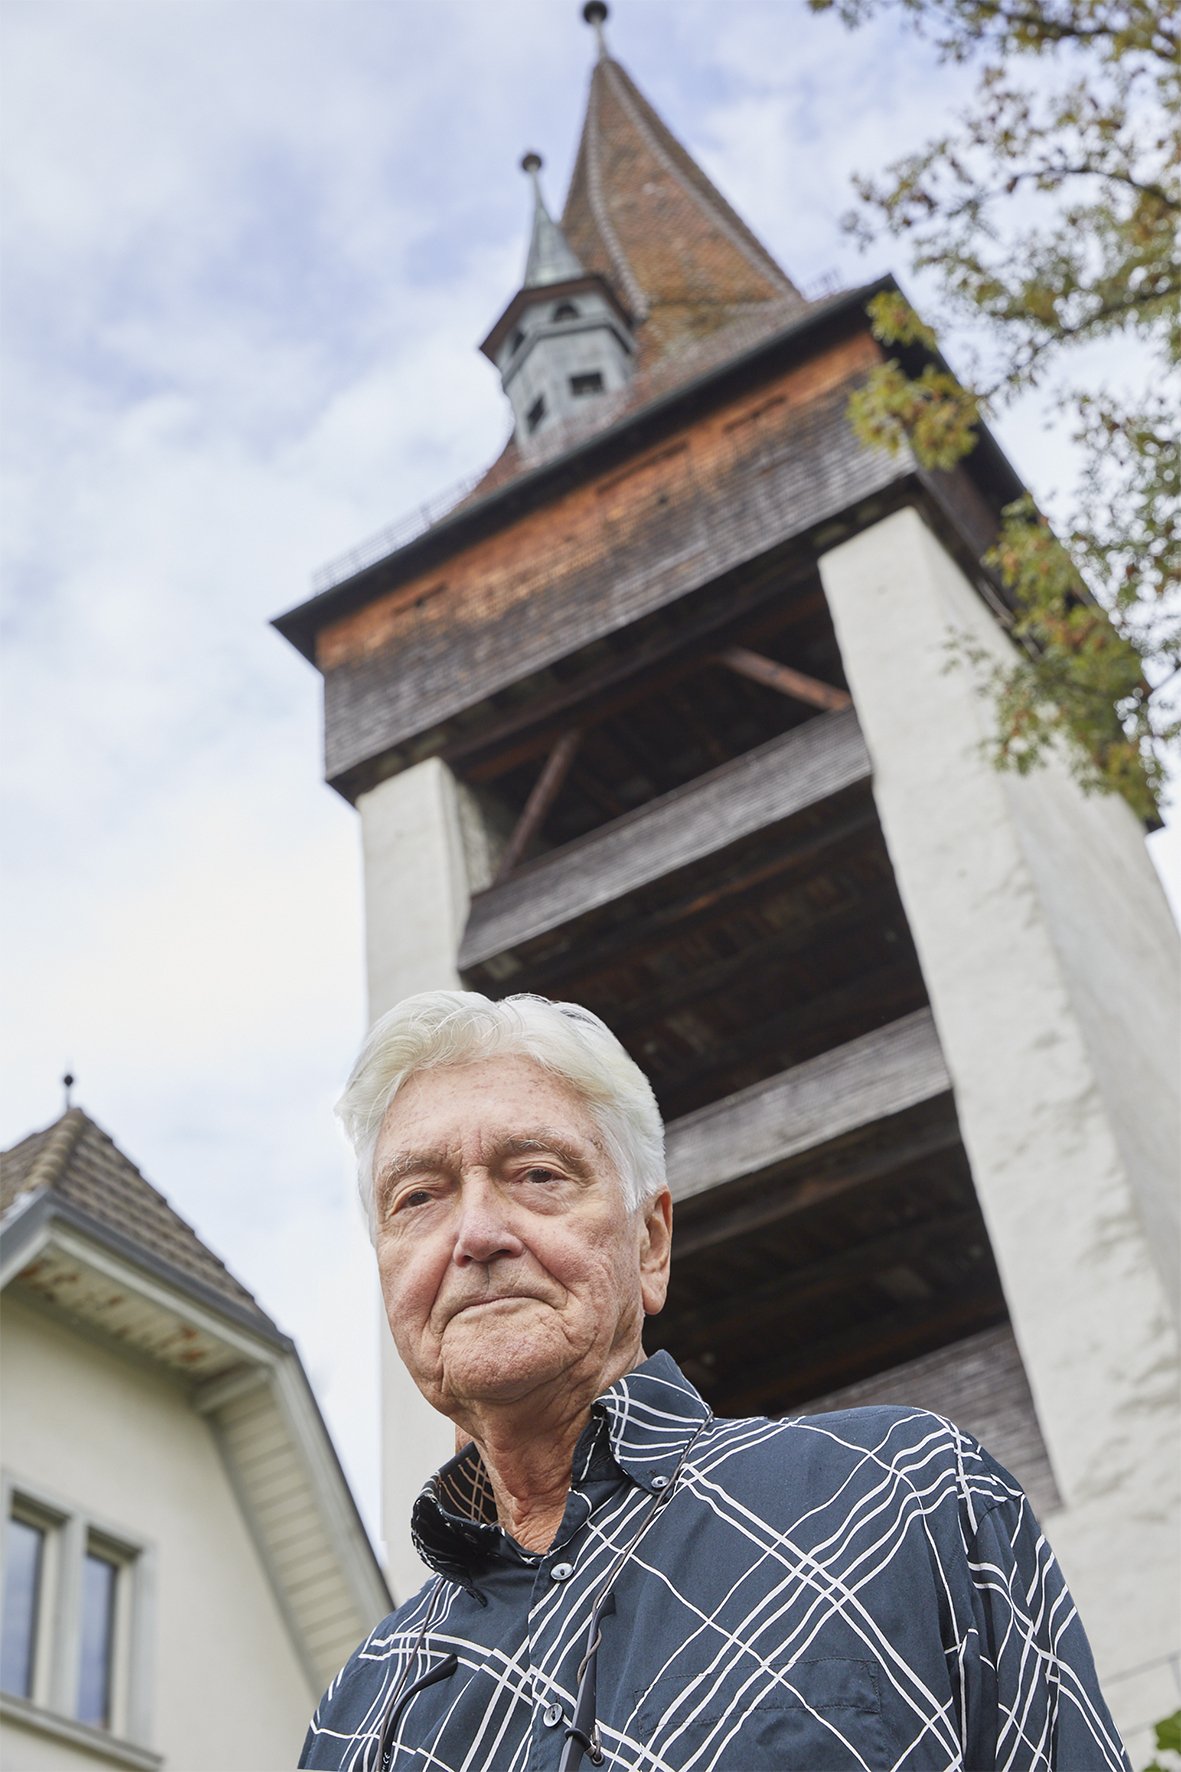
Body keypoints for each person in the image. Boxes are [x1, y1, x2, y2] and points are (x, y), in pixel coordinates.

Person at [299, 991, 1130, 1772]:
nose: (475, 1234)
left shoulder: (900, 1492)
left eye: (539, 1175)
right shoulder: (357, 1717)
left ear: (650, 1245)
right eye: (417, 1198)